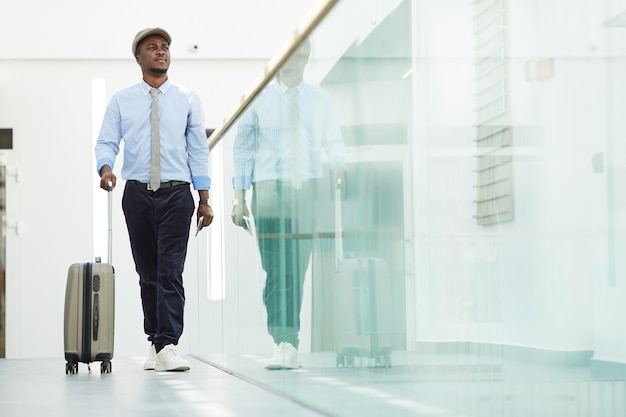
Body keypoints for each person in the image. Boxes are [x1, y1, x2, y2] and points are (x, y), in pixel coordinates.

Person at [95, 27, 213, 372]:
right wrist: (105, 169)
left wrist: (204, 197)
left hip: (178, 194)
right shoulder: (121, 100)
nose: (160, 52)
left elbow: (199, 150)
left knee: (170, 271)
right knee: (147, 272)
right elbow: (106, 141)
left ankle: (168, 344)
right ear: (139, 58)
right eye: (152, 48)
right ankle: (155, 340)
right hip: (137, 195)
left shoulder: (188, 98)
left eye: (164, 47)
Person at [231, 38, 345, 369]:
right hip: (268, 189)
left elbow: (333, 139)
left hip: (308, 190)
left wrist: (339, 163)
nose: (293, 59)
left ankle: (289, 341)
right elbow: (243, 150)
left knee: (297, 268)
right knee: (275, 270)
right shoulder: (257, 99)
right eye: (288, 53)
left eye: (299, 52)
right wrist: (239, 198)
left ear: (307, 56)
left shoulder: (320, 100)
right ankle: (282, 339)